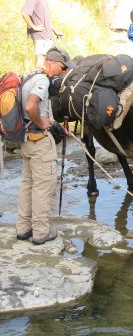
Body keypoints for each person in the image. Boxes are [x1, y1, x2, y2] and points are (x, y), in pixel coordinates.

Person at [16, 47, 75, 245]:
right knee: (43, 186)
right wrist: (42, 124)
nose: (62, 71)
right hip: (39, 141)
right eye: (61, 66)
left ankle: (23, 228)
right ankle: (40, 232)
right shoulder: (42, 80)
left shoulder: (29, 76)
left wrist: (54, 126)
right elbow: (30, 106)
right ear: (51, 62)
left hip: (26, 139)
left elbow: (33, 110)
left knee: (28, 184)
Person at [21, 0, 61, 68]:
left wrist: (54, 30)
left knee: (47, 63)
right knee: (40, 65)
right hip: (40, 36)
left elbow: (44, 16)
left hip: (47, 34)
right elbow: (24, 12)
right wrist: (34, 26)